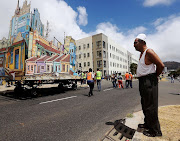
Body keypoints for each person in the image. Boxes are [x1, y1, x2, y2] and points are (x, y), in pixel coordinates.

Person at [134, 33, 164, 137]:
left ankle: (155, 131)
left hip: (149, 80)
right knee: (145, 104)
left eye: (135, 42)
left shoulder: (149, 51)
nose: (134, 45)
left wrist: (155, 76)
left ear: (142, 42)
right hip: (143, 81)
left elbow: (161, 65)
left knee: (151, 106)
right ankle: (148, 124)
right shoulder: (142, 53)